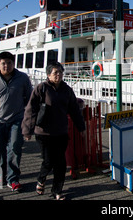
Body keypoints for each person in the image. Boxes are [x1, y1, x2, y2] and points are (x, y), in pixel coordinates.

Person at [22, 62, 85, 200]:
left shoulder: (67, 90)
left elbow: (74, 110)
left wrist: (81, 127)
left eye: (60, 72)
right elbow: (31, 109)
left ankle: (57, 191)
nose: (58, 75)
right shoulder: (41, 88)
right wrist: (27, 130)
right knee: (48, 160)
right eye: (55, 72)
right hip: (43, 132)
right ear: (48, 75)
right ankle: (41, 179)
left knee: (60, 163)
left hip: (61, 132)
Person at [0, 51, 33, 192]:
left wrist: (29, 122)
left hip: (17, 120)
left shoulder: (22, 78)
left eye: (9, 63)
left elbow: (30, 100)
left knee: (14, 148)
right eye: (3, 63)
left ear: (13, 64)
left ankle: (13, 179)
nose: (6, 66)